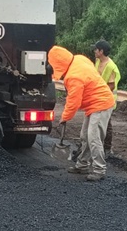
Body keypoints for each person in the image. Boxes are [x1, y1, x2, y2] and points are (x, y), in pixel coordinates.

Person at [48, 45, 116, 182]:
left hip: (101, 104)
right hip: (94, 104)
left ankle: (99, 169)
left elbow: (74, 102)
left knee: (94, 137)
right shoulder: (79, 59)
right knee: (85, 135)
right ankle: (82, 165)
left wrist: (64, 118)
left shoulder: (74, 77)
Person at [93, 40, 120, 157]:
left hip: (107, 99)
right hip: (98, 98)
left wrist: (100, 94)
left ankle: (107, 148)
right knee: (97, 122)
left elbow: (111, 85)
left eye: (96, 49)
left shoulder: (111, 67)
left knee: (107, 123)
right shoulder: (98, 61)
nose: (94, 51)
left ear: (101, 51)